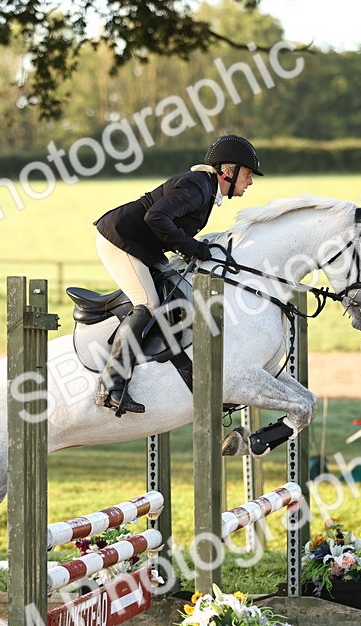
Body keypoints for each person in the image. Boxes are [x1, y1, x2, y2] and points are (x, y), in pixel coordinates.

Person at [90, 134, 261, 416]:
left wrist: (194, 249)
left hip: (142, 245)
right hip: (121, 240)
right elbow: (155, 217)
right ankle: (111, 386)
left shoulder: (204, 188)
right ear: (228, 172)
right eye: (248, 174)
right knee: (148, 304)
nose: (250, 181)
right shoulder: (197, 186)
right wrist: (193, 248)